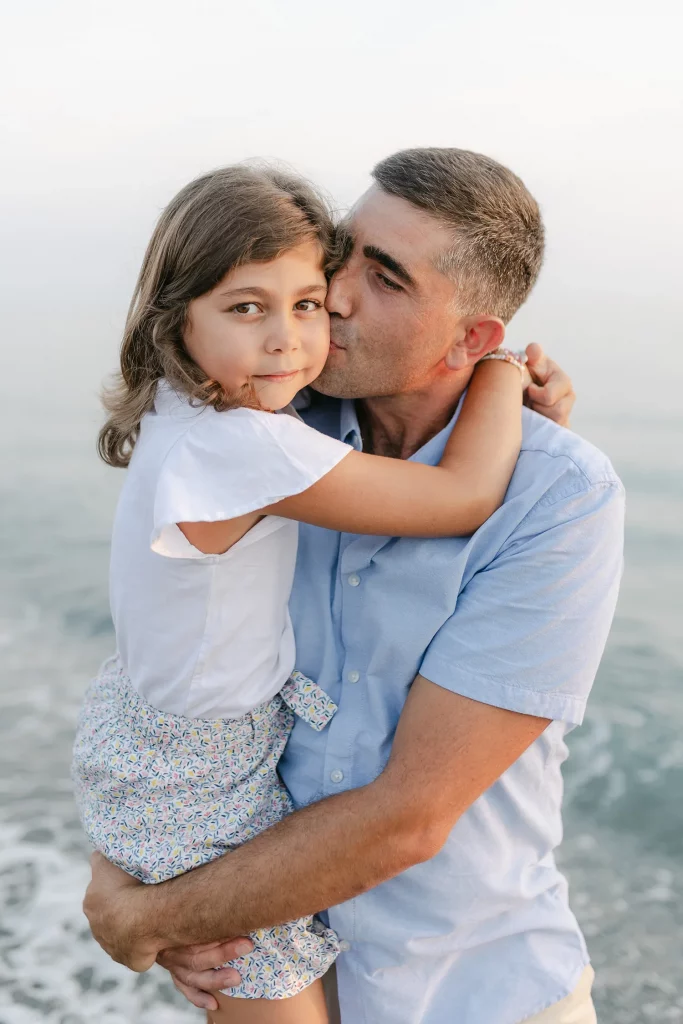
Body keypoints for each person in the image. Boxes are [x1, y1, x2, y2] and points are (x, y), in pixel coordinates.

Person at [83, 149, 624, 1024]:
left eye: (384, 279)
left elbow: (410, 816)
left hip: (473, 991)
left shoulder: (560, 496)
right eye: (343, 255)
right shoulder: (268, 418)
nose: (332, 297)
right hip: (271, 941)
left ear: (474, 336)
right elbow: (173, 647)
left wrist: (147, 912)